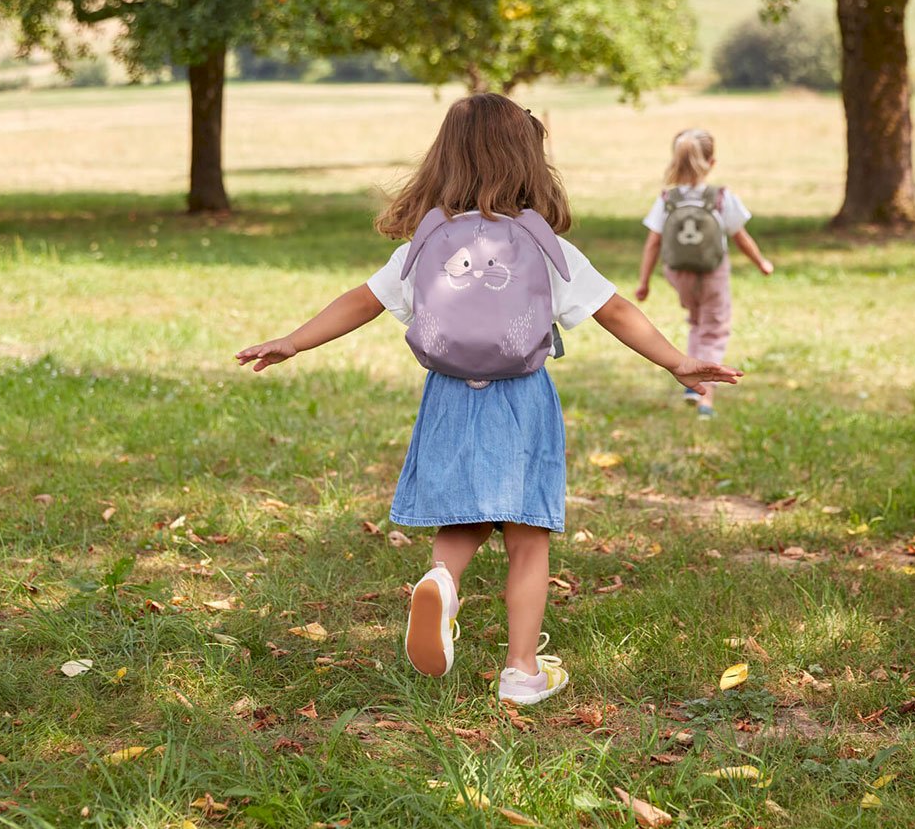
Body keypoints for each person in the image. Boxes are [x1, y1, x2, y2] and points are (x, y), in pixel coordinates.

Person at [235, 95, 741, 706]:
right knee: (528, 537)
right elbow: (616, 311)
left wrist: (294, 341)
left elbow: (362, 299)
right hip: (522, 398)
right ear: (528, 159)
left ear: (444, 159)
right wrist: (677, 361)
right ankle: (521, 671)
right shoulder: (542, 243)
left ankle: (443, 582)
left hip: (448, 394)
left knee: (461, 519)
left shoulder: (428, 242)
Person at [635, 128, 772, 418]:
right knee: (714, 328)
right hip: (712, 273)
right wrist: (761, 263)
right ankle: (705, 398)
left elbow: (653, 243)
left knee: (697, 322)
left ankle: (690, 379)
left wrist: (644, 282)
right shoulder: (721, 197)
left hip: (678, 273)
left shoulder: (667, 198)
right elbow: (740, 237)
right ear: (711, 163)